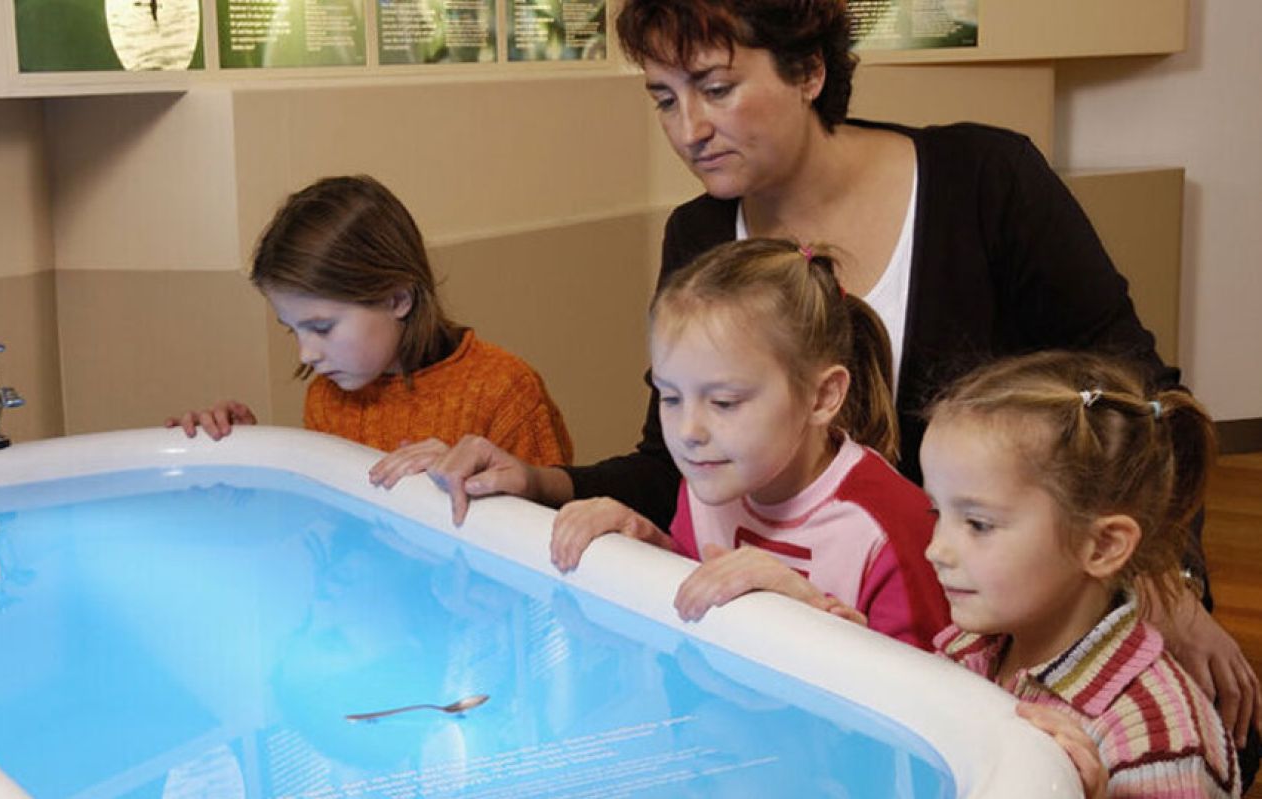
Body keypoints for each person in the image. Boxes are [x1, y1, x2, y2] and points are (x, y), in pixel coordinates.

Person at [418, 0, 1259, 771]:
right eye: (664, 98)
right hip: (884, 648)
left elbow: (1136, 400)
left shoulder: (985, 181)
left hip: (1026, 604)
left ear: (808, 71)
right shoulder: (701, 231)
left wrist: (1165, 584)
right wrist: (541, 481)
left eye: (714, 87)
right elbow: (674, 459)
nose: (689, 128)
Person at [550, 238, 948, 648]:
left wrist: (804, 608)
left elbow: (930, 696)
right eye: (670, 397)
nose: (688, 432)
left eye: (724, 402)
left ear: (823, 396)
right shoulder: (711, 477)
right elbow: (696, 600)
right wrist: (645, 543)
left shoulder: (892, 531)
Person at [922, 351, 1241, 798]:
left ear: (1103, 545)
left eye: (978, 524)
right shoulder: (965, 649)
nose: (935, 549)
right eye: (937, 511)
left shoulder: (1163, 739)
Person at [166, 175, 573, 476]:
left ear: (397, 298)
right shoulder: (327, 399)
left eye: (322, 328)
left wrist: (457, 483)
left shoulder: (505, 393)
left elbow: (549, 551)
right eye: (294, 330)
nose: (306, 354)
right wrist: (244, 459)